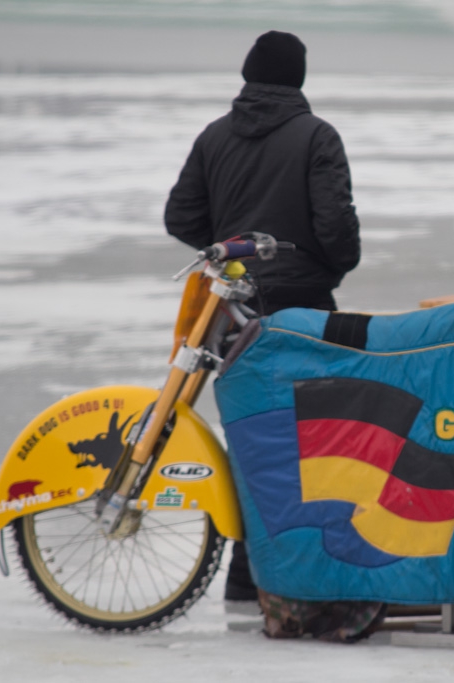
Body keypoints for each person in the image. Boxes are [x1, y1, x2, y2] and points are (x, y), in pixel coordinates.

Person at [164, 30, 361, 604]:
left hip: (230, 312)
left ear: (249, 74)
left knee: (249, 437)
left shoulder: (214, 137)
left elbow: (180, 216)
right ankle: (298, 575)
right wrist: (325, 265)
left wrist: (231, 252)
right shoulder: (316, 137)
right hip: (302, 313)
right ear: (298, 78)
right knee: (310, 445)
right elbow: (336, 232)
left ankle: (245, 577)